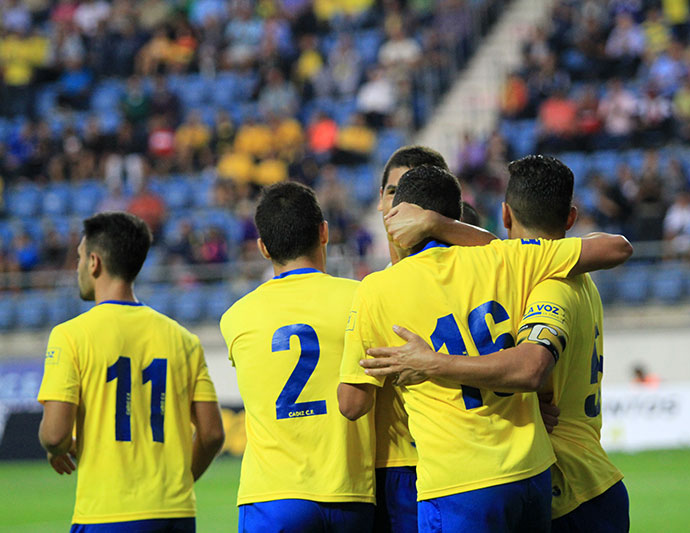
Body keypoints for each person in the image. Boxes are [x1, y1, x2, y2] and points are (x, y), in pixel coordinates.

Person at [339, 162, 632, 533]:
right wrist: (441, 225)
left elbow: (352, 403)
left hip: (464, 481)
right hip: (536, 470)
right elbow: (615, 247)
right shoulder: (507, 262)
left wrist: (427, 365)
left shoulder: (376, 289)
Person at [37, 212, 224, 533]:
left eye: (80, 257)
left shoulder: (71, 336)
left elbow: (54, 434)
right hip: (174, 514)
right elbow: (212, 434)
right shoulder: (183, 339)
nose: (77, 266)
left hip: (107, 513)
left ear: (94, 262)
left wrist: (59, 446)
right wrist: (179, 481)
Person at [220, 182, 375, 532]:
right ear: (324, 233)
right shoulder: (363, 298)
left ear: (262, 248)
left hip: (271, 495)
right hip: (349, 493)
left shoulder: (236, 318)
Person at [373, 145, 496, 533]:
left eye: (415, 197)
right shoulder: (370, 292)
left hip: (466, 466)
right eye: (394, 192)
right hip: (395, 469)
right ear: (380, 201)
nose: (402, 205)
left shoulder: (479, 272)